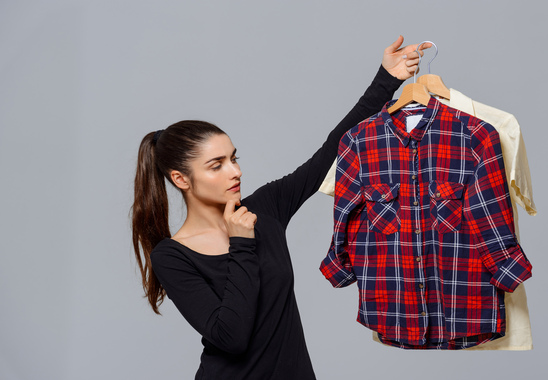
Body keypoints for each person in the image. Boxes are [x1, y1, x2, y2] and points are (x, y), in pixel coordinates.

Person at [132, 37, 430, 380]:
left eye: (233, 158)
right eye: (216, 165)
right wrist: (241, 244)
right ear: (181, 179)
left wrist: (386, 79)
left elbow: (330, 152)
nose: (235, 171)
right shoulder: (172, 256)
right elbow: (231, 337)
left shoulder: (266, 207)